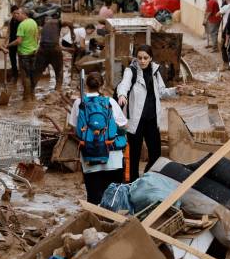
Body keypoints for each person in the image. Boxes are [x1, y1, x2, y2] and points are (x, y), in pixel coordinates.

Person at [117, 45, 184, 182]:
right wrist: (122, 95)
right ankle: (133, 182)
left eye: (145, 58)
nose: (142, 61)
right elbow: (124, 84)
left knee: (156, 154)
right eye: (139, 58)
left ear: (151, 58)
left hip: (152, 119)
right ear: (136, 58)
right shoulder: (131, 71)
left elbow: (161, 91)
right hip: (136, 120)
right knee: (134, 155)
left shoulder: (155, 71)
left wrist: (175, 91)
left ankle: (147, 179)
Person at [69, 72, 127, 204]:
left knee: (94, 198)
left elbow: (74, 129)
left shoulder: (79, 103)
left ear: (85, 85)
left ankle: (95, 222)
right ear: (102, 85)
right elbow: (123, 124)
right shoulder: (110, 102)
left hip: (90, 158)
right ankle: (113, 223)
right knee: (114, 199)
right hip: (113, 159)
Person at [6, 8, 39, 101]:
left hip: (24, 54)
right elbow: (37, 36)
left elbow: (19, 41)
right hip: (33, 52)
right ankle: (32, 94)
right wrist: (35, 46)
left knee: (26, 76)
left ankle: (27, 97)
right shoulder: (33, 22)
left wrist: (8, 45)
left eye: (19, 14)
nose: (17, 16)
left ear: (24, 14)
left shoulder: (22, 25)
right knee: (32, 74)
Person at [35, 17, 71, 91]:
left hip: (42, 49)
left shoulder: (44, 27)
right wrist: (72, 30)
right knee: (59, 71)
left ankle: (30, 92)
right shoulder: (56, 22)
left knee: (37, 71)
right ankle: (58, 89)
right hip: (54, 49)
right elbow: (69, 23)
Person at [218, 0, 230, 70]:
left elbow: (217, 14)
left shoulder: (225, 7)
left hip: (226, 29)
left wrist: (223, 13)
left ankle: (226, 63)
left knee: (223, 46)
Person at [6, 5, 21, 82]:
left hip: (19, 42)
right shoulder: (11, 21)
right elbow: (8, 32)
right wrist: (5, 43)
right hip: (12, 42)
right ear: (12, 13)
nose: (16, 15)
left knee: (21, 58)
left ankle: (22, 74)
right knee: (12, 59)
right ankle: (15, 75)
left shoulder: (21, 21)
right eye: (14, 13)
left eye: (17, 13)